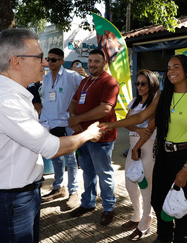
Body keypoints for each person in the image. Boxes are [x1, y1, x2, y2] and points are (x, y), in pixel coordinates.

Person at [0, 28, 102, 243]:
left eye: (47, 58)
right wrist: (88, 133)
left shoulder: (17, 95)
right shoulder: (7, 100)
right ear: (16, 62)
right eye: (39, 58)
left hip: (23, 193)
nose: (45, 63)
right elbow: (51, 147)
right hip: (12, 198)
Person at [100, 54, 187, 243]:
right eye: (168, 68)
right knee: (158, 200)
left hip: (186, 156)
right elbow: (140, 118)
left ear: (186, 70)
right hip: (164, 155)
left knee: (181, 204)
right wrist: (109, 125)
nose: (171, 71)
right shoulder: (164, 97)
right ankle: (164, 236)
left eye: (176, 67)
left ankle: (183, 238)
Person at [68, 49, 119, 226]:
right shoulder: (85, 81)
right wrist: (73, 117)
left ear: (103, 63)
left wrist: (78, 119)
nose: (92, 64)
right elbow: (74, 101)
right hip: (83, 136)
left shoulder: (109, 82)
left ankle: (109, 207)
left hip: (101, 138)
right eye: (90, 61)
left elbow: (105, 109)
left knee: (104, 173)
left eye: (96, 61)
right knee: (88, 173)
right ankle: (88, 203)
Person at [40, 48, 83, 209]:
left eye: (54, 59)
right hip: (49, 123)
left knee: (70, 160)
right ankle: (59, 188)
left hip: (66, 124)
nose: (50, 62)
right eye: (48, 59)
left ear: (62, 61)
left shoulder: (72, 76)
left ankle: (74, 191)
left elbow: (85, 87)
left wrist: (77, 115)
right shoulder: (45, 78)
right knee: (55, 158)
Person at [121, 70, 160, 240]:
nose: (140, 87)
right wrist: (136, 129)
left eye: (143, 83)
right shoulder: (135, 101)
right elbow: (128, 122)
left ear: (151, 84)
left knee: (145, 187)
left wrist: (137, 147)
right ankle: (136, 216)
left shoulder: (155, 103)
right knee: (130, 183)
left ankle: (146, 220)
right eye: (137, 83)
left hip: (147, 147)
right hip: (133, 147)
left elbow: (150, 129)